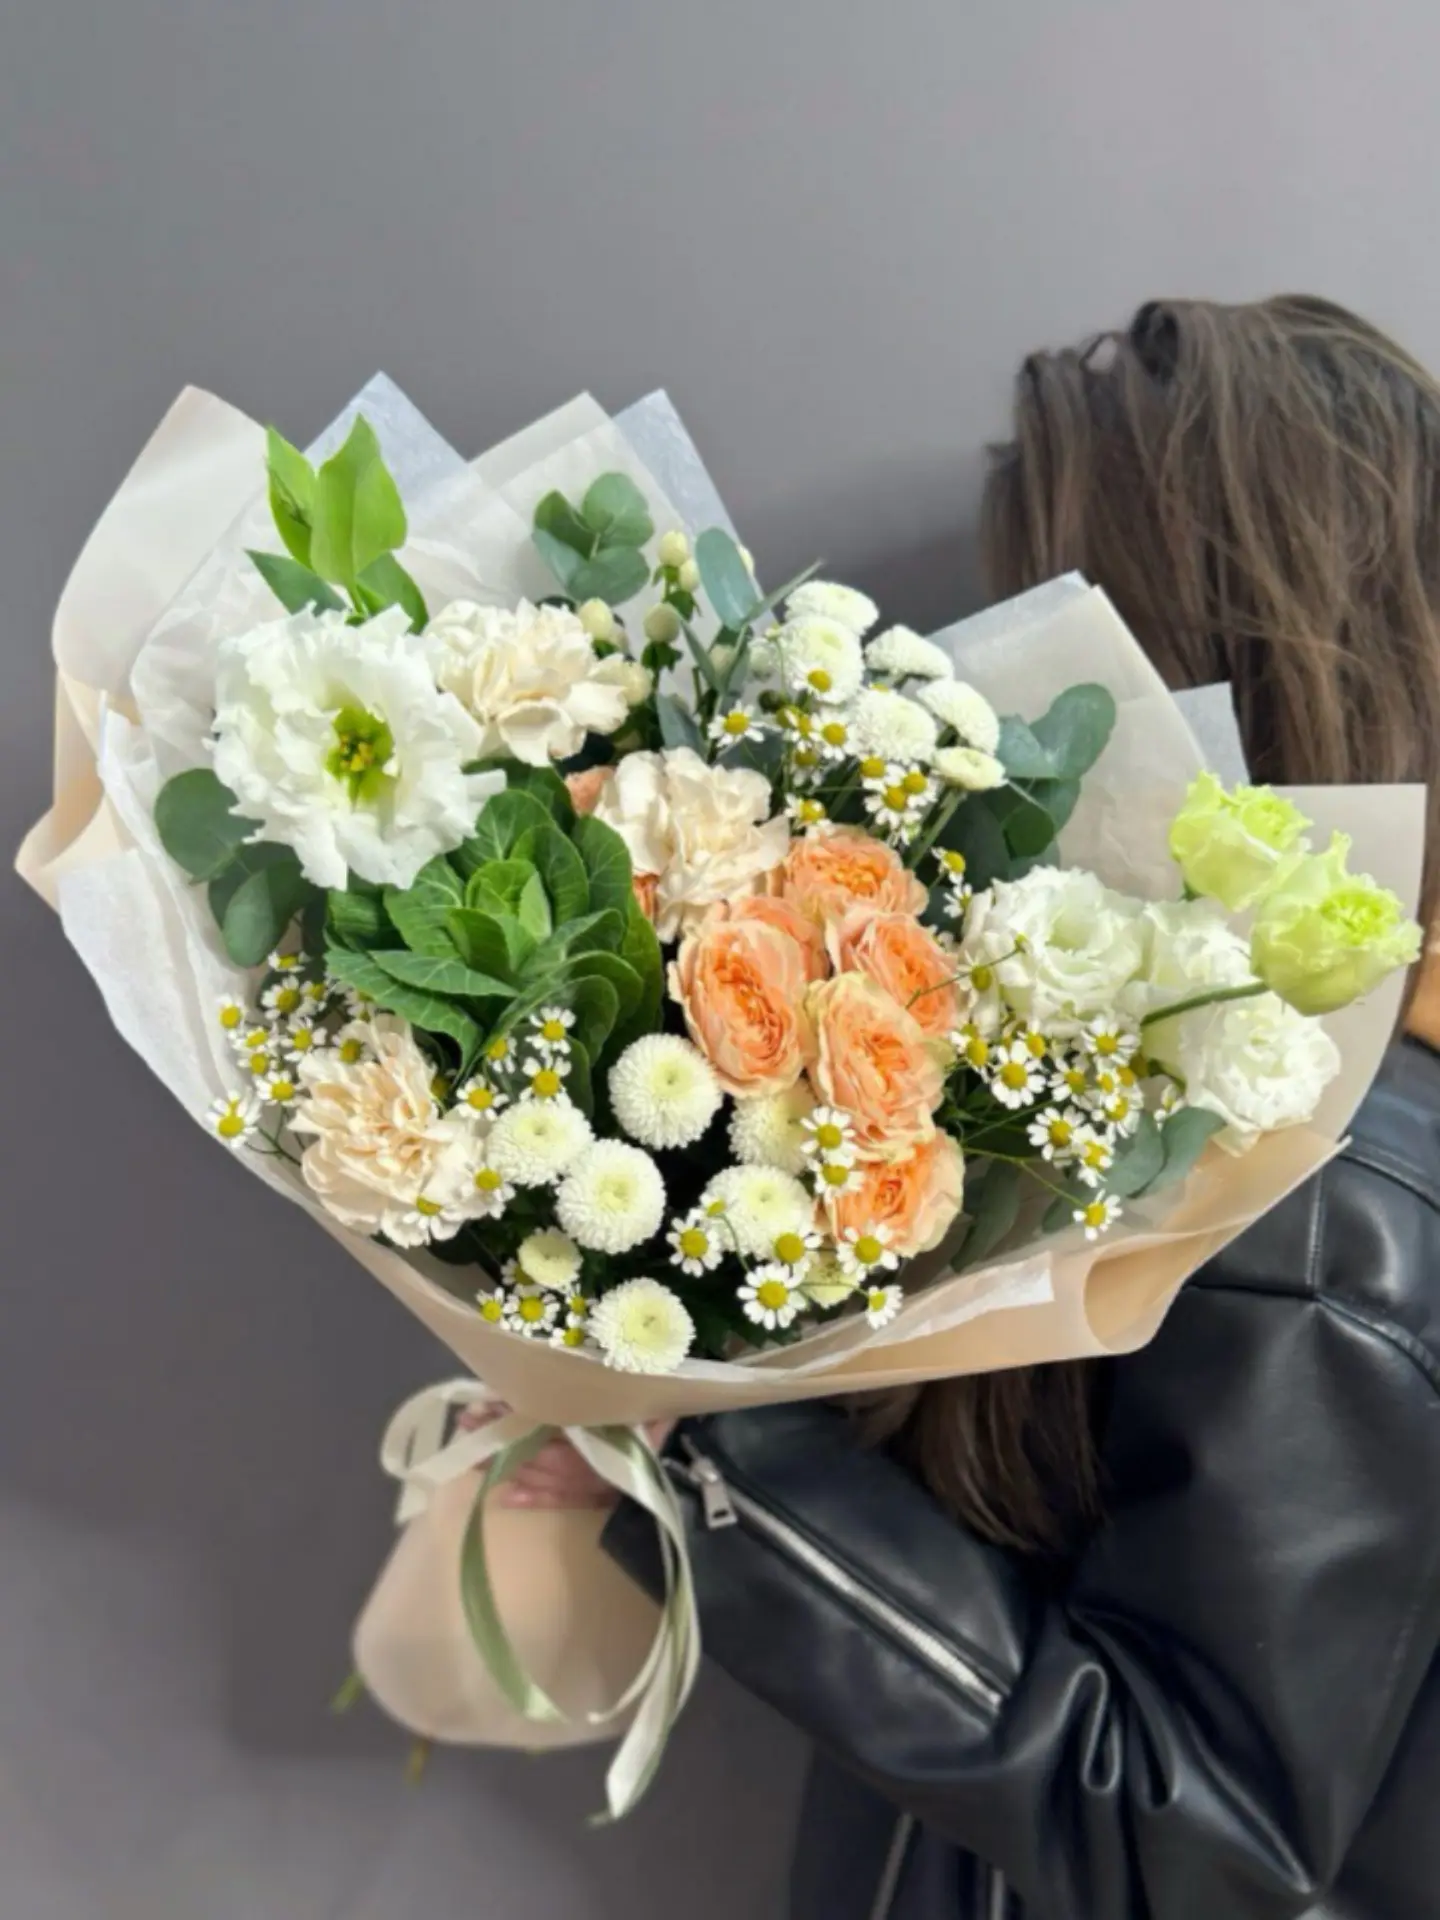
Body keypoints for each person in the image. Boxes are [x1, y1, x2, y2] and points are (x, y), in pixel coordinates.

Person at [494, 297, 1440, 1919]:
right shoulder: (1187, 1116)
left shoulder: (1330, 1207)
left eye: (1059, 610)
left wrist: (706, 1442)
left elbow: (1187, 1848)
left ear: (1196, 665)